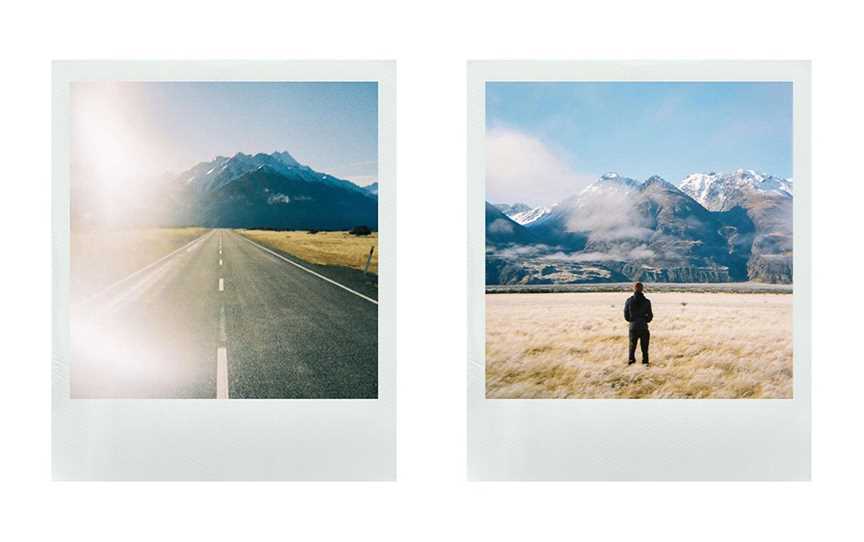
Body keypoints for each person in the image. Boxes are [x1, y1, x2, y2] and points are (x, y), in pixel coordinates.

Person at [624, 282, 653, 366]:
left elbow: (626, 315)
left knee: (632, 346)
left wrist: (632, 321)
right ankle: (645, 363)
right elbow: (650, 316)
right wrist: (644, 320)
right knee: (644, 347)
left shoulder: (629, 301)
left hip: (633, 327)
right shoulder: (647, 301)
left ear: (634, 289)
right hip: (643, 326)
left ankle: (631, 362)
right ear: (642, 289)